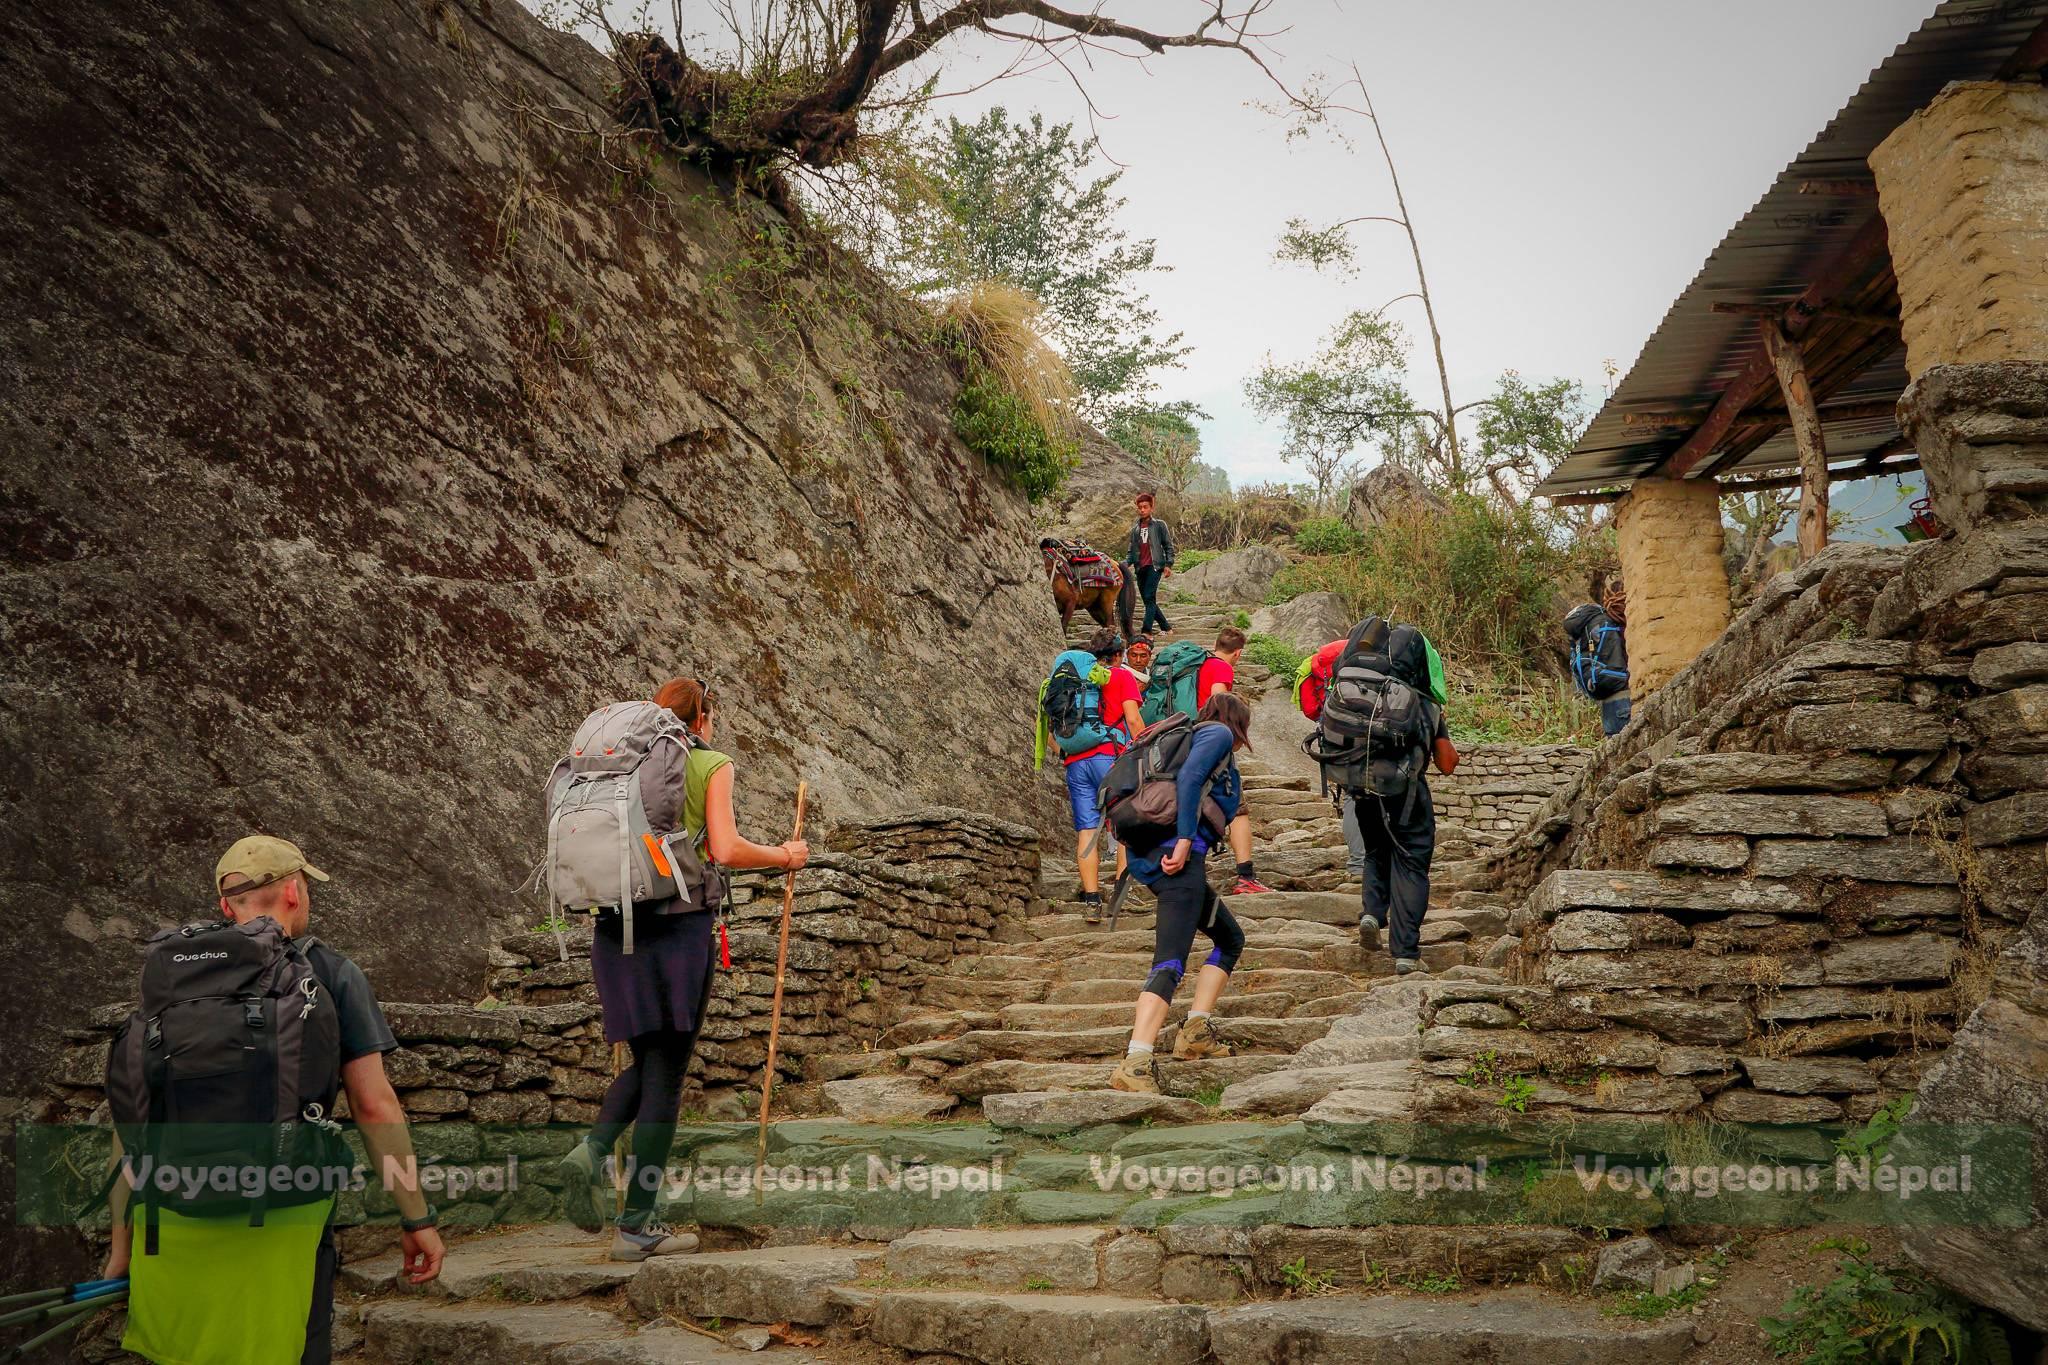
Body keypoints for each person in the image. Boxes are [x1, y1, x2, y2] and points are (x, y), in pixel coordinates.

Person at [104, 836, 445, 1365]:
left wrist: (121, 1244)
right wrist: (416, 1220)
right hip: (283, 1211)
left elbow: (132, 1112)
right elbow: (375, 1107)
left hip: (171, 1217)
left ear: (225, 904)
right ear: (293, 889)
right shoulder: (329, 974)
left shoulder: (172, 978)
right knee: (283, 1345)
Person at [556, 678, 809, 1259]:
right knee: (666, 1077)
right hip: (678, 929)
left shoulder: (623, 765)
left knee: (649, 1060)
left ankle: (592, 1153)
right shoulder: (708, 763)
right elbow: (724, 849)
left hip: (615, 927)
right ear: (703, 718)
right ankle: (634, 1224)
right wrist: (784, 856)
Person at [1110, 692, 1255, 1092]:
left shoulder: (1190, 733)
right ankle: (1136, 1061)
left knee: (1230, 938)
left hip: (1158, 858)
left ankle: (1195, 1032)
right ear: (1238, 724)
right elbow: (1190, 778)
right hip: (1177, 859)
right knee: (1169, 963)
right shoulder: (1219, 735)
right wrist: (1186, 840)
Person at [1347, 630, 1460, 974]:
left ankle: (1371, 913)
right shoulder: (1424, 702)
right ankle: (1406, 954)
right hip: (1407, 796)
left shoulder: (1361, 692)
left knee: (1376, 853)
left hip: (1363, 790)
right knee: (1411, 865)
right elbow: (1448, 763)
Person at [1037, 628, 1141, 923]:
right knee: (1123, 828)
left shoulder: (1062, 682)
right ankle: (1122, 895)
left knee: (1086, 831)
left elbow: (1049, 731)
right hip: (1111, 759)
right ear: (1118, 655)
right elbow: (1132, 719)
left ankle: (1092, 900)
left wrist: (1064, 753)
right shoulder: (1120, 676)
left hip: (1075, 764)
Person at [1196, 628, 1271, 896]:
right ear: (1238, 653)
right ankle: (1245, 875)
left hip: (1190, 742)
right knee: (1238, 808)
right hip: (1212, 745)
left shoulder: (1200, 662)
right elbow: (1219, 701)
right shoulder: (1222, 669)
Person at [1565, 586, 1631, 737]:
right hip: (1624, 697)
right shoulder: (1613, 623)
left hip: (1606, 700)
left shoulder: (1588, 631)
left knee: (1616, 751)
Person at [1123, 492, 1177, 636]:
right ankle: (1166, 627)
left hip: (1155, 566)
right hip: (1140, 568)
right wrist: (1124, 564)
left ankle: (1146, 631)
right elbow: (1131, 551)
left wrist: (1168, 564)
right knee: (1149, 600)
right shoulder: (1135, 529)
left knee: (1149, 596)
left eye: (1145, 507)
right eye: (1140, 507)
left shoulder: (1159, 525)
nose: (1142, 510)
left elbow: (1168, 546)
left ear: (1151, 508)